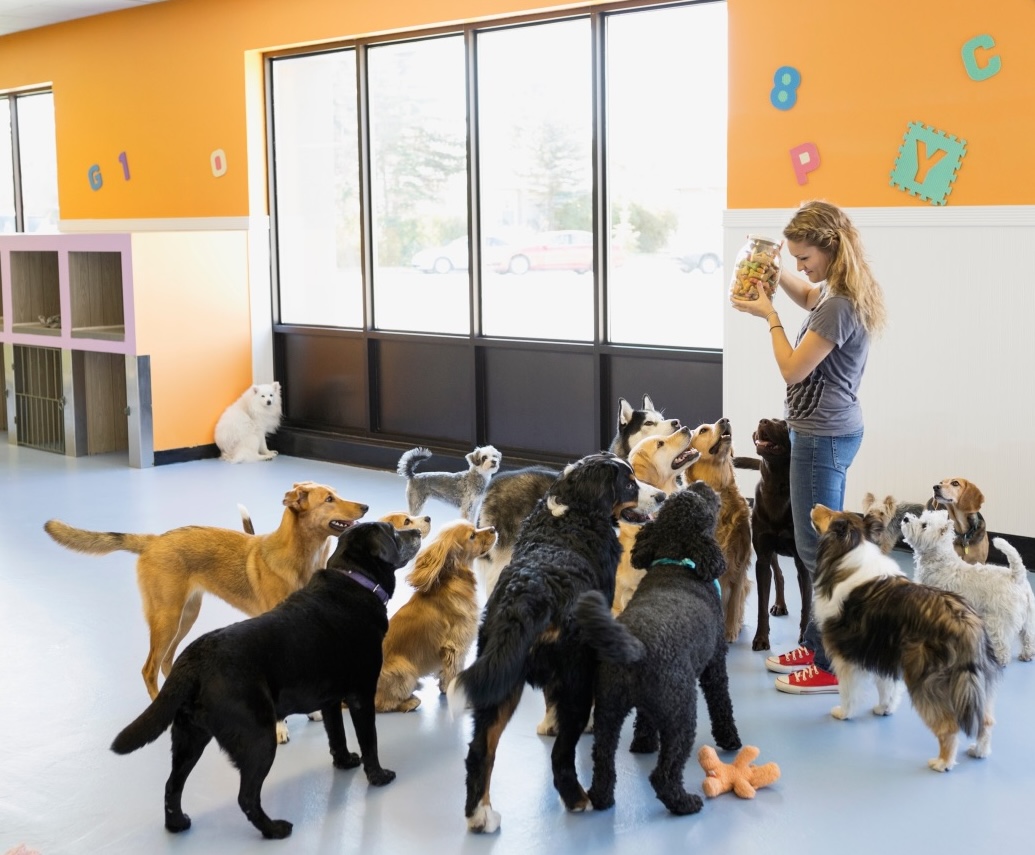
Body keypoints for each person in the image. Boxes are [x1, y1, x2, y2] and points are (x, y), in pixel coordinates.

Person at [730, 200, 886, 694]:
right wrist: (771, 276)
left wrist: (767, 314)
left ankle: (826, 662)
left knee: (818, 550)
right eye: (793, 259)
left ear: (830, 248)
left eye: (804, 258)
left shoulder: (841, 305)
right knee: (813, 546)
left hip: (822, 437)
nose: (800, 268)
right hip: (821, 431)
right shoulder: (837, 291)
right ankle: (818, 643)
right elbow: (808, 295)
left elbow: (793, 368)